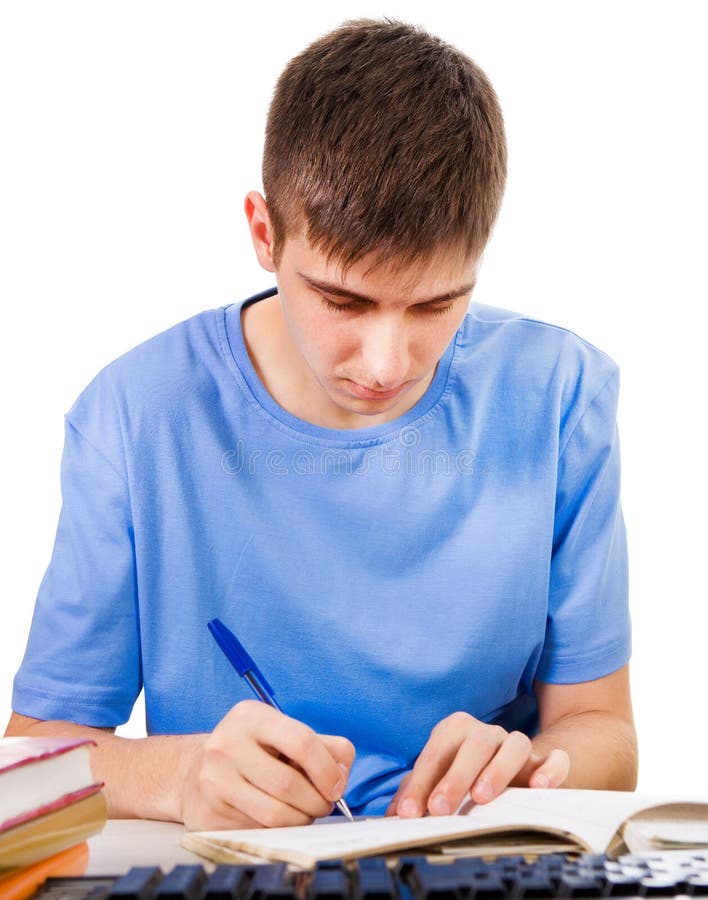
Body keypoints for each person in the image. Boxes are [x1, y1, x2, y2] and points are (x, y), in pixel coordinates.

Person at [5, 18, 637, 829]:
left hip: (474, 859)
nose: (387, 363)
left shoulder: (560, 397)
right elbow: (29, 766)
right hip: (238, 865)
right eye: (344, 300)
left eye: (437, 305)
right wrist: (180, 776)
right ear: (264, 234)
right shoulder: (134, 419)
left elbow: (603, 729)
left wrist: (537, 768)